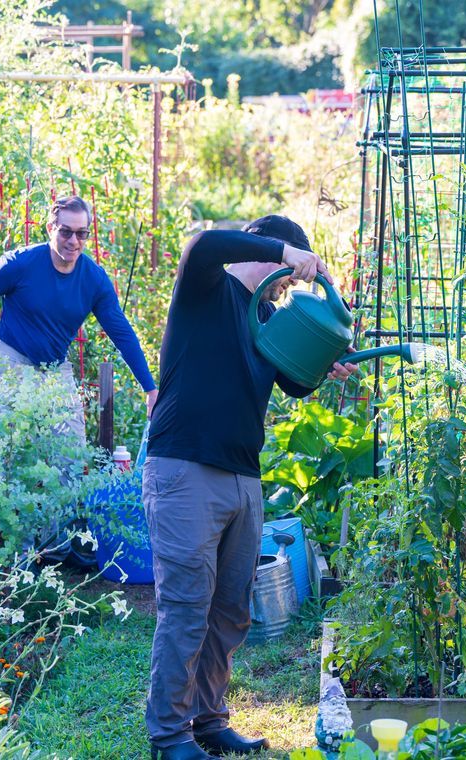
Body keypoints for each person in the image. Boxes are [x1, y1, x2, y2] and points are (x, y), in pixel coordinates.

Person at [143, 216, 358, 760]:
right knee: (187, 605)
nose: (287, 288)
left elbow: (292, 382)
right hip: (185, 469)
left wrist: (322, 363)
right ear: (269, 253)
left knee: (230, 608)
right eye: (288, 275)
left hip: (242, 476)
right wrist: (287, 252)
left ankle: (209, 719)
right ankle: (169, 736)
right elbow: (204, 244)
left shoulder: (265, 317)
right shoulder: (206, 287)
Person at [0, 195, 158, 424]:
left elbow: (122, 334)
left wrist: (150, 390)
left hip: (55, 369)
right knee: (15, 439)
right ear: (50, 228)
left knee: (71, 444)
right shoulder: (20, 264)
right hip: (12, 363)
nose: (73, 241)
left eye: (81, 233)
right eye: (66, 232)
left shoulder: (94, 280)